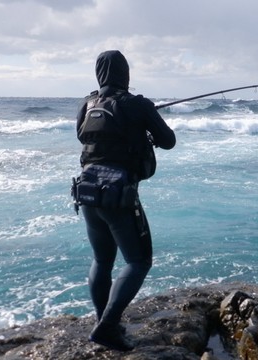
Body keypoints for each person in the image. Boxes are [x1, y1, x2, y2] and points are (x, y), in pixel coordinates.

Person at [75, 50, 176, 351]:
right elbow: (168, 141)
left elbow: (85, 138)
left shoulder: (87, 103)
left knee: (102, 260)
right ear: (125, 74)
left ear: (99, 74)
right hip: (119, 196)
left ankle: (105, 320)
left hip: (88, 191)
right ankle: (107, 327)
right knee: (138, 261)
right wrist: (145, 121)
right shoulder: (137, 104)